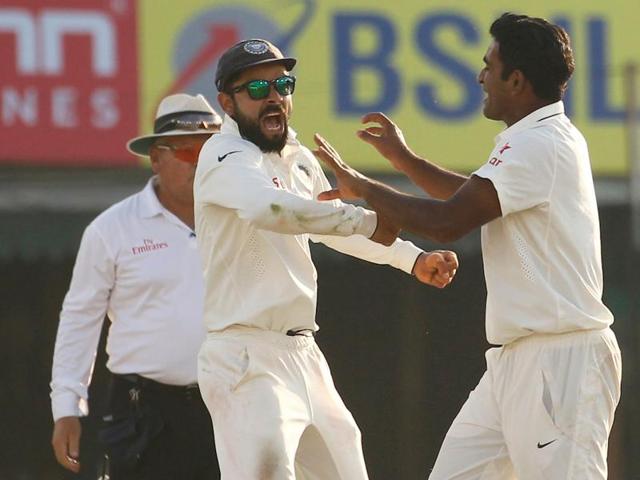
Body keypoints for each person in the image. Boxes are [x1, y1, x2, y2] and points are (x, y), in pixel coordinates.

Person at [313, 12, 622, 480]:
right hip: (514, 362)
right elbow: (470, 200)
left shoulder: (539, 143)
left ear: (516, 80)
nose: (481, 75)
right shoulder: (535, 139)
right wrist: (404, 159)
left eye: (489, 65)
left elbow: (447, 222)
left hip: (560, 364)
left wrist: (365, 188)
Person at [193, 38, 459, 480]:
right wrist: (367, 220)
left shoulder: (297, 158)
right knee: (267, 470)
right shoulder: (223, 156)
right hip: (245, 354)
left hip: (303, 352)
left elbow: (327, 224)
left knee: (347, 468)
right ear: (227, 102)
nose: (274, 97)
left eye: (283, 84)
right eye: (258, 90)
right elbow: (268, 210)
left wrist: (410, 258)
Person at [50, 93, 222, 479]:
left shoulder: (243, 219)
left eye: (209, 149)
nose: (199, 162)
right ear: (156, 158)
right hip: (143, 409)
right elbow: (80, 318)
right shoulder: (112, 229)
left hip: (232, 401)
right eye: (185, 151)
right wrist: (66, 406)